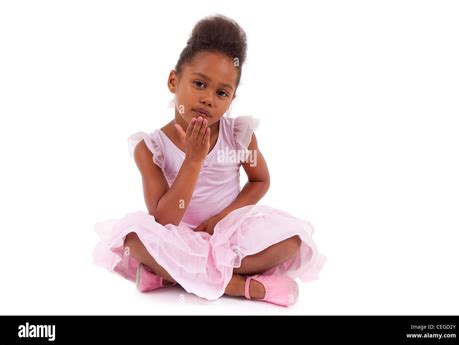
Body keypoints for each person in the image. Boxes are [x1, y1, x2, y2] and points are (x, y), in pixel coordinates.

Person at [93, 14, 326, 307]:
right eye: (199, 84)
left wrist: (221, 219)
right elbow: (163, 220)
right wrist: (192, 161)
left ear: (231, 100)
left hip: (227, 234)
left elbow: (260, 179)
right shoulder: (150, 147)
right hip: (178, 238)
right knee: (132, 241)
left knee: (293, 243)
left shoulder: (238, 135)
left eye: (221, 92)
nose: (208, 99)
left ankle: (170, 276)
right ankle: (241, 287)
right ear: (173, 81)